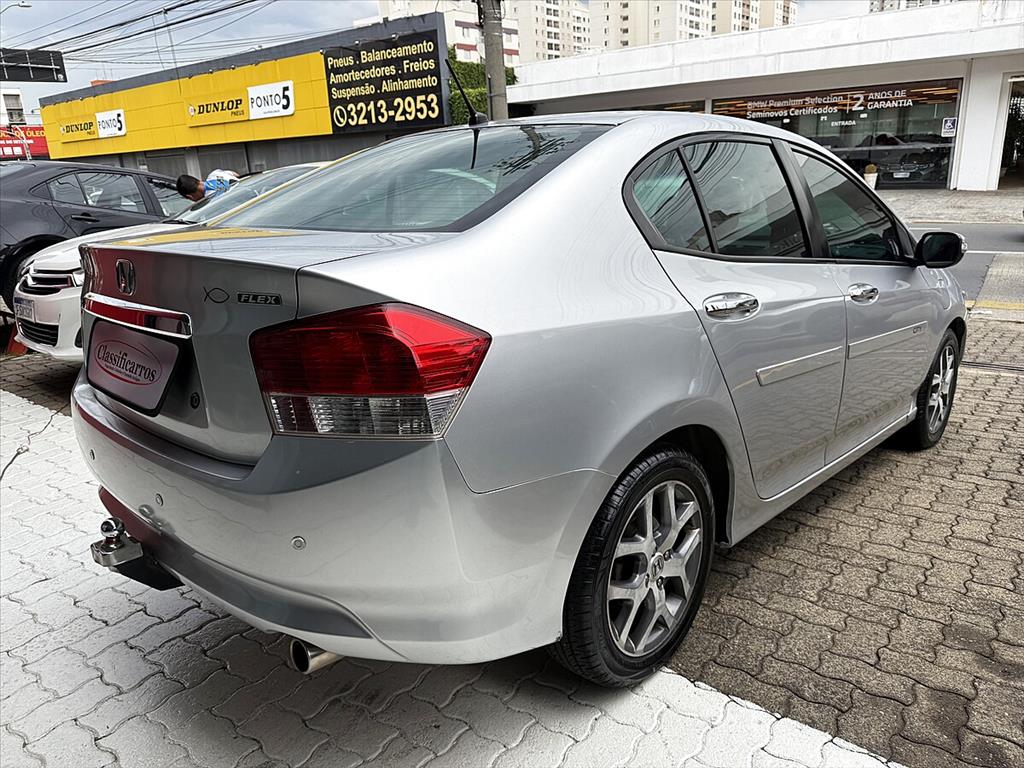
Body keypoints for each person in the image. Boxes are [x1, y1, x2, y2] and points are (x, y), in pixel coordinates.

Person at [175, 169, 240, 201]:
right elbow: (235, 174)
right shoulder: (215, 173)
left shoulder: (211, 201)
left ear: (190, 197)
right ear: (198, 180)